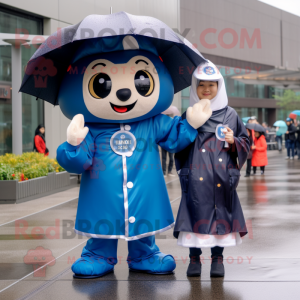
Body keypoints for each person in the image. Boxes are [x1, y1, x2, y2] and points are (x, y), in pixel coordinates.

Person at [174, 61, 250, 278]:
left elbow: (245, 141)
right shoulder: (188, 114)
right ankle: (194, 258)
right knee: (194, 215)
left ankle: (218, 258)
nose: (206, 89)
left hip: (221, 176)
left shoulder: (231, 115)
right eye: (201, 84)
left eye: (212, 84)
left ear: (220, 86)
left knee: (221, 217)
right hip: (197, 177)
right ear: (195, 88)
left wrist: (233, 141)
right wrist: (190, 125)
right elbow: (178, 144)